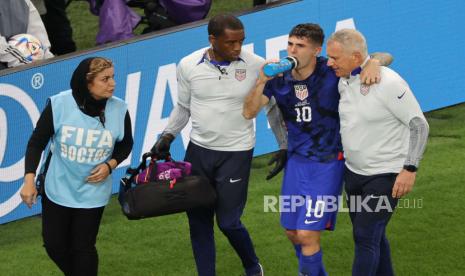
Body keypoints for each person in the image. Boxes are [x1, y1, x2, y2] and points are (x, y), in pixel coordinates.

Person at [242, 23, 392, 276]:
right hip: (297, 163)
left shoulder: (331, 69)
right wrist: (260, 82)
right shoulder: (278, 78)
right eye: (290, 44)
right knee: (292, 232)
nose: (292, 50)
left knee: (307, 234)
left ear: (316, 50)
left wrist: (374, 63)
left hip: (329, 162)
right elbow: (248, 112)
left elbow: (383, 56)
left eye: (300, 46)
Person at [150, 14, 287, 276]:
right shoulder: (188, 65)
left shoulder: (257, 66)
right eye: (230, 42)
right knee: (198, 221)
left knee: (229, 222)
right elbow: (184, 107)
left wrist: (284, 145)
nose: (237, 48)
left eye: (241, 41)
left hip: (236, 154)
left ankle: (252, 266)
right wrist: (167, 136)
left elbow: (272, 108)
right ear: (212, 40)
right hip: (199, 153)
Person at [326, 29, 429, 276]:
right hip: (354, 174)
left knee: (364, 237)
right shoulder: (343, 77)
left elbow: (419, 125)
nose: (329, 63)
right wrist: (375, 60)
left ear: (356, 56)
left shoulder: (388, 82)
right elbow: (384, 55)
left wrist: (409, 169)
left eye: (335, 58)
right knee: (373, 235)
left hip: (385, 175)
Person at [20, 57, 134, 276]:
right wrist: (29, 180)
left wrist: (110, 165)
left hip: (93, 193)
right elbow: (37, 143)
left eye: (113, 77)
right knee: (54, 246)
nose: (113, 84)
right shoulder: (59, 104)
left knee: (83, 247)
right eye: (105, 79)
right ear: (87, 82)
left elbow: (126, 144)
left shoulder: (119, 109)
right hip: (58, 188)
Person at [0, 0, 54, 70]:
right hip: (11, 67)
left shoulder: (24, 2)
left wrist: (48, 60)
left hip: (25, 65)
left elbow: (39, 35)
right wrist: (27, 66)